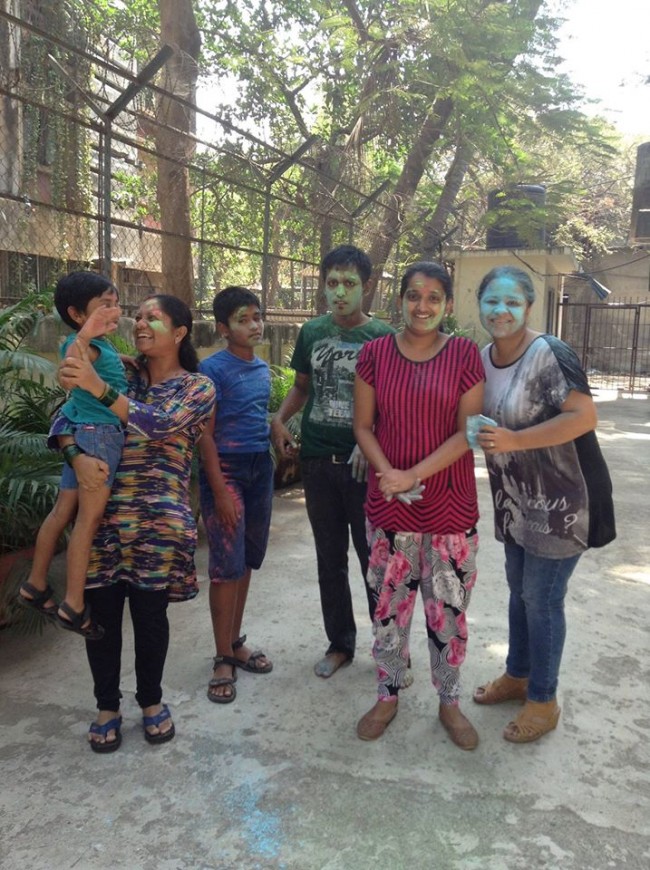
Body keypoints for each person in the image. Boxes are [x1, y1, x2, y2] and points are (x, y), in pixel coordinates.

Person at [57, 294, 216, 752]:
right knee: (100, 618)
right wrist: (74, 456)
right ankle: (107, 705)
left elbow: (161, 424)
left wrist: (98, 388)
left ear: (180, 332)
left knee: (150, 618)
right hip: (101, 520)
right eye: (139, 316)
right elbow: (63, 416)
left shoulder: (197, 388)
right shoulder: (117, 370)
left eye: (155, 318)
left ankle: (151, 701)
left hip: (157, 524)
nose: (141, 323)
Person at [471, 266, 616, 743]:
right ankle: (518, 674)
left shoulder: (549, 353)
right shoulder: (483, 358)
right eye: (493, 301)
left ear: (529, 307)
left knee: (543, 598)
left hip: (563, 498)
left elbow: (584, 416)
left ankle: (544, 699)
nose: (502, 311)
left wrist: (514, 438)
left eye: (513, 302)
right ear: (480, 305)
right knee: (519, 589)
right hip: (515, 499)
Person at [353, 261, 485, 749]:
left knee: (447, 613)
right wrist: (389, 474)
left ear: (448, 304)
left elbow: (467, 433)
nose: (422, 306)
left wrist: (413, 474)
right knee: (389, 612)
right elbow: (363, 426)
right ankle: (387, 696)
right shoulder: (374, 354)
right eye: (413, 295)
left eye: (433, 297)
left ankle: (449, 703)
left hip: (450, 510)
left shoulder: (465, 355)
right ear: (401, 300)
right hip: (390, 510)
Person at [271, 245, 394, 678]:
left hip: (365, 467)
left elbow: (392, 403)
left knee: (374, 560)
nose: (339, 292)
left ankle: (388, 647)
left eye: (349, 284)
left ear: (366, 287)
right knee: (330, 558)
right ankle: (340, 644)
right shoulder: (311, 333)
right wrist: (280, 418)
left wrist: (372, 438)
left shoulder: (382, 338)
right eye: (332, 283)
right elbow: (303, 387)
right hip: (319, 461)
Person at [19, 271, 127, 638]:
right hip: (100, 438)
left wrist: (124, 360)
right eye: (104, 307)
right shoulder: (78, 344)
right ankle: (74, 604)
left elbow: (99, 360)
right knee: (87, 522)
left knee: (63, 511)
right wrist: (85, 336)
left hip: (83, 435)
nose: (115, 312)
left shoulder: (101, 346)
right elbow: (76, 355)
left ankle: (34, 584)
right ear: (77, 315)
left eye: (116, 304)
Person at [198, 287, 274, 705]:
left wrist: (276, 432)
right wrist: (219, 490)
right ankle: (222, 657)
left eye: (257, 316)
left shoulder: (262, 368)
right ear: (223, 328)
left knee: (245, 559)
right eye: (244, 319)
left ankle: (235, 640)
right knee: (225, 566)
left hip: (259, 468)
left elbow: (255, 416)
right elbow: (204, 436)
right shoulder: (212, 370)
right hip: (225, 469)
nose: (255, 324)